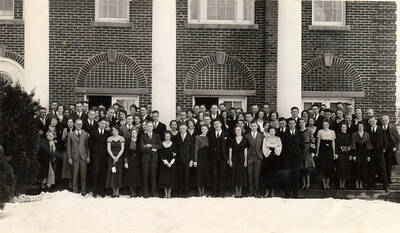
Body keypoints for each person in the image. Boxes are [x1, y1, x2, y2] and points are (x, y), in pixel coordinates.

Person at [67, 119, 90, 195]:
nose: (79, 126)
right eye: (77, 124)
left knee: (83, 174)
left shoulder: (85, 134)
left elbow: (87, 147)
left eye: (80, 124)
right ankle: (75, 189)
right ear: (74, 125)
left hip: (83, 156)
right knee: (75, 173)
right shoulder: (70, 134)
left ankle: (83, 189)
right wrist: (69, 157)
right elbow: (69, 147)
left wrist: (88, 157)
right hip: (74, 157)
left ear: (82, 125)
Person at [140, 121, 162, 198]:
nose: (149, 128)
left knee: (153, 176)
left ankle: (154, 192)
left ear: (153, 127)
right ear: (145, 127)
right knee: (145, 176)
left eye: (151, 126)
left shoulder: (157, 135)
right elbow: (142, 148)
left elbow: (160, 146)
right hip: (145, 159)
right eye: (148, 126)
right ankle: (145, 193)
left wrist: (150, 145)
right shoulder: (143, 136)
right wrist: (152, 149)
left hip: (154, 159)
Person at [283, 118, 304, 198]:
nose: (292, 125)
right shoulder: (285, 133)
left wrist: (299, 154)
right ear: (288, 124)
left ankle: (295, 194)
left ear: (295, 124)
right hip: (288, 158)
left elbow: (302, 145)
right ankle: (287, 193)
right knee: (288, 175)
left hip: (296, 158)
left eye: (293, 123)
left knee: (296, 175)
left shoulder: (299, 133)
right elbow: (283, 145)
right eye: (290, 123)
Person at [89, 118, 109, 198]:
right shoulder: (93, 132)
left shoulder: (108, 133)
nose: (103, 125)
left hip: (104, 157)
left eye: (105, 123)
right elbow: (90, 145)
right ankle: (95, 191)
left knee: (103, 174)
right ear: (98, 123)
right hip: (96, 156)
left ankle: (102, 191)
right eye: (102, 123)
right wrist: (94, 154)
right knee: (95, 173)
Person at [208, 119, 229, 197]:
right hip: (213, 158)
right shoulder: (210, 134)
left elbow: (228, 146)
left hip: (223, 158)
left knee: (222, 175)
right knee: (214, 174)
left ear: (221, 124)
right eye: (215, 124)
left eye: (217, 124)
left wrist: (228, 158)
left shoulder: (226, 134)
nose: (216, 125)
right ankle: (215, 192)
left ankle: (222, 192)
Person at [368, 117, 389, 191]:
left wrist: (384, 149)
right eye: (370, 121)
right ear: (369, 122)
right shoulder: (368, 130)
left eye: (373, 121)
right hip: (371, 152)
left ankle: (385, 186)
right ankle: (373, 185)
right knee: (372, 169)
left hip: (380, 152)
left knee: (382, 169)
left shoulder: (381, 130)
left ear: (376, 121)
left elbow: (385, 141)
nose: (372, 122)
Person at [244, 121, 264, 197]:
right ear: (250, 126)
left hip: (258, 157)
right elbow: (245, 147)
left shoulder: (261, 135)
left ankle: (257, 191)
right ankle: (250, 191)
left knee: (257, 175)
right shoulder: (246, 136)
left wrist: (261, 154)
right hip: (249, 157)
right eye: (252, 126)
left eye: (255, 126)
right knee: (249, 175)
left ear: (257, 126)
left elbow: (263, 146)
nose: (253, 127)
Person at [350, 121, 372, 190]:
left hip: (364, 153)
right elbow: (352, 145)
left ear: (363, 127)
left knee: (363, 168)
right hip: (357, 153)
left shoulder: (367, 135)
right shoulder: (354, 134)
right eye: (359, 126)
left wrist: (368, 155)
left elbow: (369, 145)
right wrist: (353, 155)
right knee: (357, 168)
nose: (360, 127)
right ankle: (357, 183)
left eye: (361, 126)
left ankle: (361, 184)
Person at [261, 127, 282, 197]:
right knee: (267, 175)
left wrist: (270, 146)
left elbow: (279, 147)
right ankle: (266, 192)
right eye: (271, 131)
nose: (272, 132)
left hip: (275, 157)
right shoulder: (265, 139)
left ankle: (272, 191)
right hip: (267, 158)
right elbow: (264, 147)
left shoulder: (278, 138)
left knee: (274, 175)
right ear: (268, 132)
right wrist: (273, 146)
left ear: (275, 132)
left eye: (273, 131)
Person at [316, 120, 336, 190]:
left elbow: (333, 143)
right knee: (323, 167)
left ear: (329, 125)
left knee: (329, 167)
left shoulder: (332, 132)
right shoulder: (320, 132)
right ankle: (324, 183)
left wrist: (334, 153)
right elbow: (318, 143)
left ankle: (328, 183)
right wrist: (317, 152)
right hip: (322, 151)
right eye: (324, 124)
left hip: (330, 151)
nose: (325, 126)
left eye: (327, 124)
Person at [228, 126, 248, 198]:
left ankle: (240, 192)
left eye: (239, 130)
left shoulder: (245, 139)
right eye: (236, 130)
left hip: (242, 158)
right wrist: (230, 160)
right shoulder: (232, 139)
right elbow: (230, 150)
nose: (238, 131)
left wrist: (245, 161)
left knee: (241, 175)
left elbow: (245, 151)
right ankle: (236, 192)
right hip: (234, 158)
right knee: (235, 174)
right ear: (235, 131)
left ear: (241, 131)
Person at [106, 125, 125, 197]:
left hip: (119, 158)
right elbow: (108, 149)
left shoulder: (122, 138)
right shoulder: (109, 138)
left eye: (116, 130)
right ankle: (113, 192)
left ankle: (118, 191)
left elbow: (122, 149)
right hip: (111, 157)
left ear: (118, 131)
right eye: (113, 130)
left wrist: (117, 157)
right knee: (112, 173)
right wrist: (113, 157)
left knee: (118, 173)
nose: (114, 131)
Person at [158, 131, 178, 198]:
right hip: (164, 164)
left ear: (170, 137)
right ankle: (165, 193)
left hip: (172, 164)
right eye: (166, 136)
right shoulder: (162, 144)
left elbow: (175, 155)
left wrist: (171, 163)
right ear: (164, 136)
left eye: (168, 136)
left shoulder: (173, 144)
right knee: (164, 179)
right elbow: (161, 155)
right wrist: (166, 163)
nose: (167, 137)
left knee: (170, 179)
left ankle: (169, 193)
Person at [175, 123, 193, 197]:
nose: (182, 129)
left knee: (187, 175)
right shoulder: (176, 137)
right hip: (179, 159)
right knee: (180, 175)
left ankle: (186, 192)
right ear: (179, 129)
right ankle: (180, 191)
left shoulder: (190, 137)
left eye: (183, 128)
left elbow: (192, 149)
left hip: (187, 159)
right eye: (181, 128)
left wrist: (191, 160)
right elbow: (175, 148)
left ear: (186, 128)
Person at [124, 127, 142, 197]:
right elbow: (126, 152)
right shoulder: (128, 140)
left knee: (136, 175)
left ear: (137, 133)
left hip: (137, 160)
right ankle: (131, 191)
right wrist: (126, 162)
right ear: (131, 134)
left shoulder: (139, 140)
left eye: (135, 133)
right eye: (133, 133)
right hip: (130, 159)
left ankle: (135, 191)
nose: (134, 134)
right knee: (130, 175)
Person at [193, 125, 210, 197]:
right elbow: (196, 149)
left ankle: (203, 191)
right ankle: (199, 191)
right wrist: (195, 160)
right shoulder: (197, 137)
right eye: (202, 129)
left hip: (206, 158)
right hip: (200, 157)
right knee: (199, 174)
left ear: (207, 130)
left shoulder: (208, 137)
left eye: (205, 129)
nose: (203, 130)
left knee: (204, 174)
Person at [382, 115, 399, 184]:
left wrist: (395, 148)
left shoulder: (392, 128)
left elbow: (398, 139)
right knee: (383, 164)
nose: (384, 121)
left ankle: (388, 179)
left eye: (385, 120)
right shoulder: (380, 128)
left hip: (390, 149)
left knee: (389, 164)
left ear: (388, 120)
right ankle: (383, 179)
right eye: (383, 120)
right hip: (382, 149)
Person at [299, 118, 315, 190]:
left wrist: (312, 151)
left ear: (305, 123)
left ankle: (308, 183)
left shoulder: (309, 131)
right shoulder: (298, 131)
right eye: (300, 122)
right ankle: (304, 183)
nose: (301, 124)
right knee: (302, 167)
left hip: (307, 149)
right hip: (300, 150)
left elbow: (312, 141)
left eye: (303, 122)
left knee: (307, 167)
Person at [335, 123, 351, 189]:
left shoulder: (349, 135)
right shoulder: (338, 135)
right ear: (341, 128)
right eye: (342, 127)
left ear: (346, 128)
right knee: (340, 168)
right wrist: (336, 153)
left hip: (347, 154)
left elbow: (350, 145)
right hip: (340, 153)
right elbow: (336, 145)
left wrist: (350, 154)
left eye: (345, 127)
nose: (343, 128)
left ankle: (344, 183)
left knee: (346, 169)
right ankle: (340, 183)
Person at [61, 118, 74, 189]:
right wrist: (67, 136)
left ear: (73, 123)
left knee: (73, 165)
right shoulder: (65, 130)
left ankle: (73, 181)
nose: (70, 123)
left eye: (71, 122)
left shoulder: (75, 129)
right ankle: (69, 182)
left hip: (74, 149)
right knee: (67, 165)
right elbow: (62, 139)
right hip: (67, 148)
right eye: (68, 122)